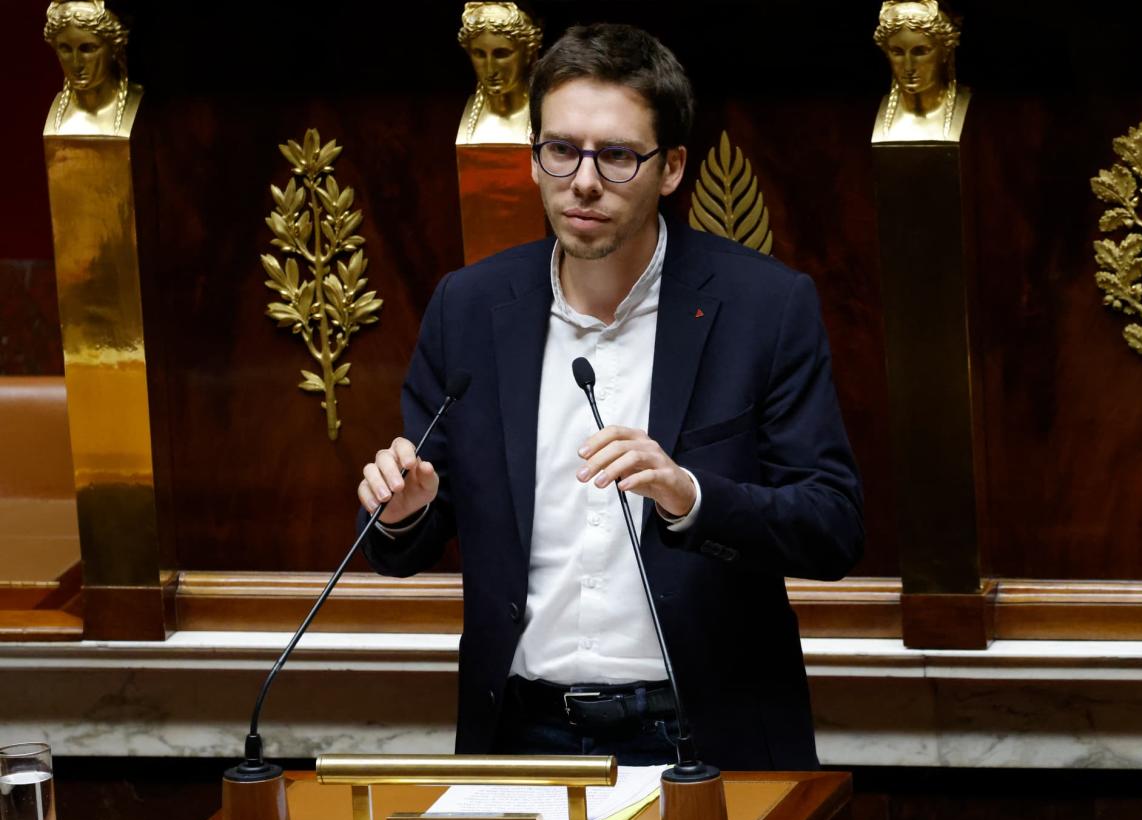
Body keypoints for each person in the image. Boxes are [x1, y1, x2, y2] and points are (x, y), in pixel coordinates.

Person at [359, 22, 864, 770]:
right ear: (535, 161)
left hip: (701, 733)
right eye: (561, 150)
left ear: (671, 169)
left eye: (618, 155)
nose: (584, 180)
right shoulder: (467, 309)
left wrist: (691, 496)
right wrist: (403, 516)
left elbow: (832, 528)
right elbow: (407, 545)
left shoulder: (763, 308)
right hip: (521, 736)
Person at [871, 0, 970, 142]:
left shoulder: (972, 112)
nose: (908, 67)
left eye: (920, 52)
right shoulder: (874, 113)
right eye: (897, 52)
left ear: (945, 52)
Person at [43, 0, 142, 137]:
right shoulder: (57, 113)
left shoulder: (137, 104)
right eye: (65, 49)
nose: (76, 64)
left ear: (114, 48)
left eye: (88, 49)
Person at [455, 2, 542, 145]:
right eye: (479, 54)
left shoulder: (544, 113)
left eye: (501, 54)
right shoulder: (470, 118)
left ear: (528, 53)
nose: (490, 69)